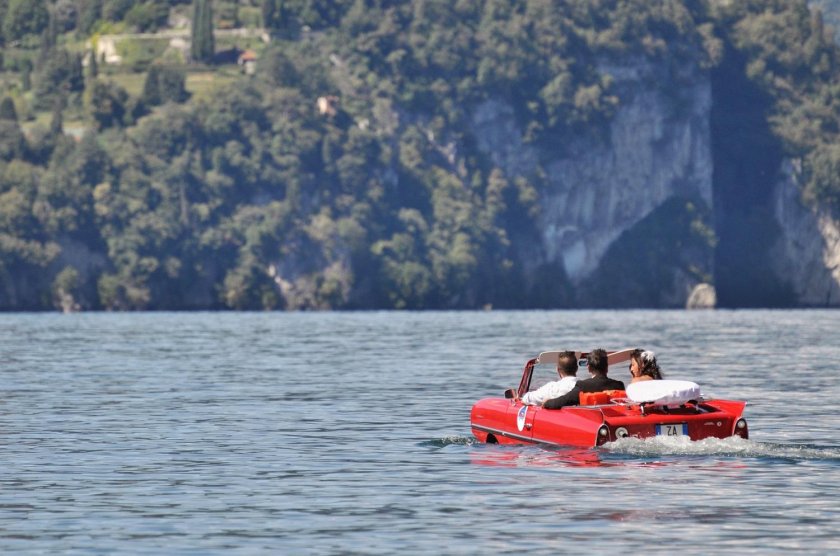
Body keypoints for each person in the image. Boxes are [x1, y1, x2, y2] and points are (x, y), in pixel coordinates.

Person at [543, 348, 625, 409]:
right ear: (607, 368)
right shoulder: (619, 385)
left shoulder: (583, 386)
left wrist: (547, 402)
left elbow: (563, 401)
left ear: (589, 368)